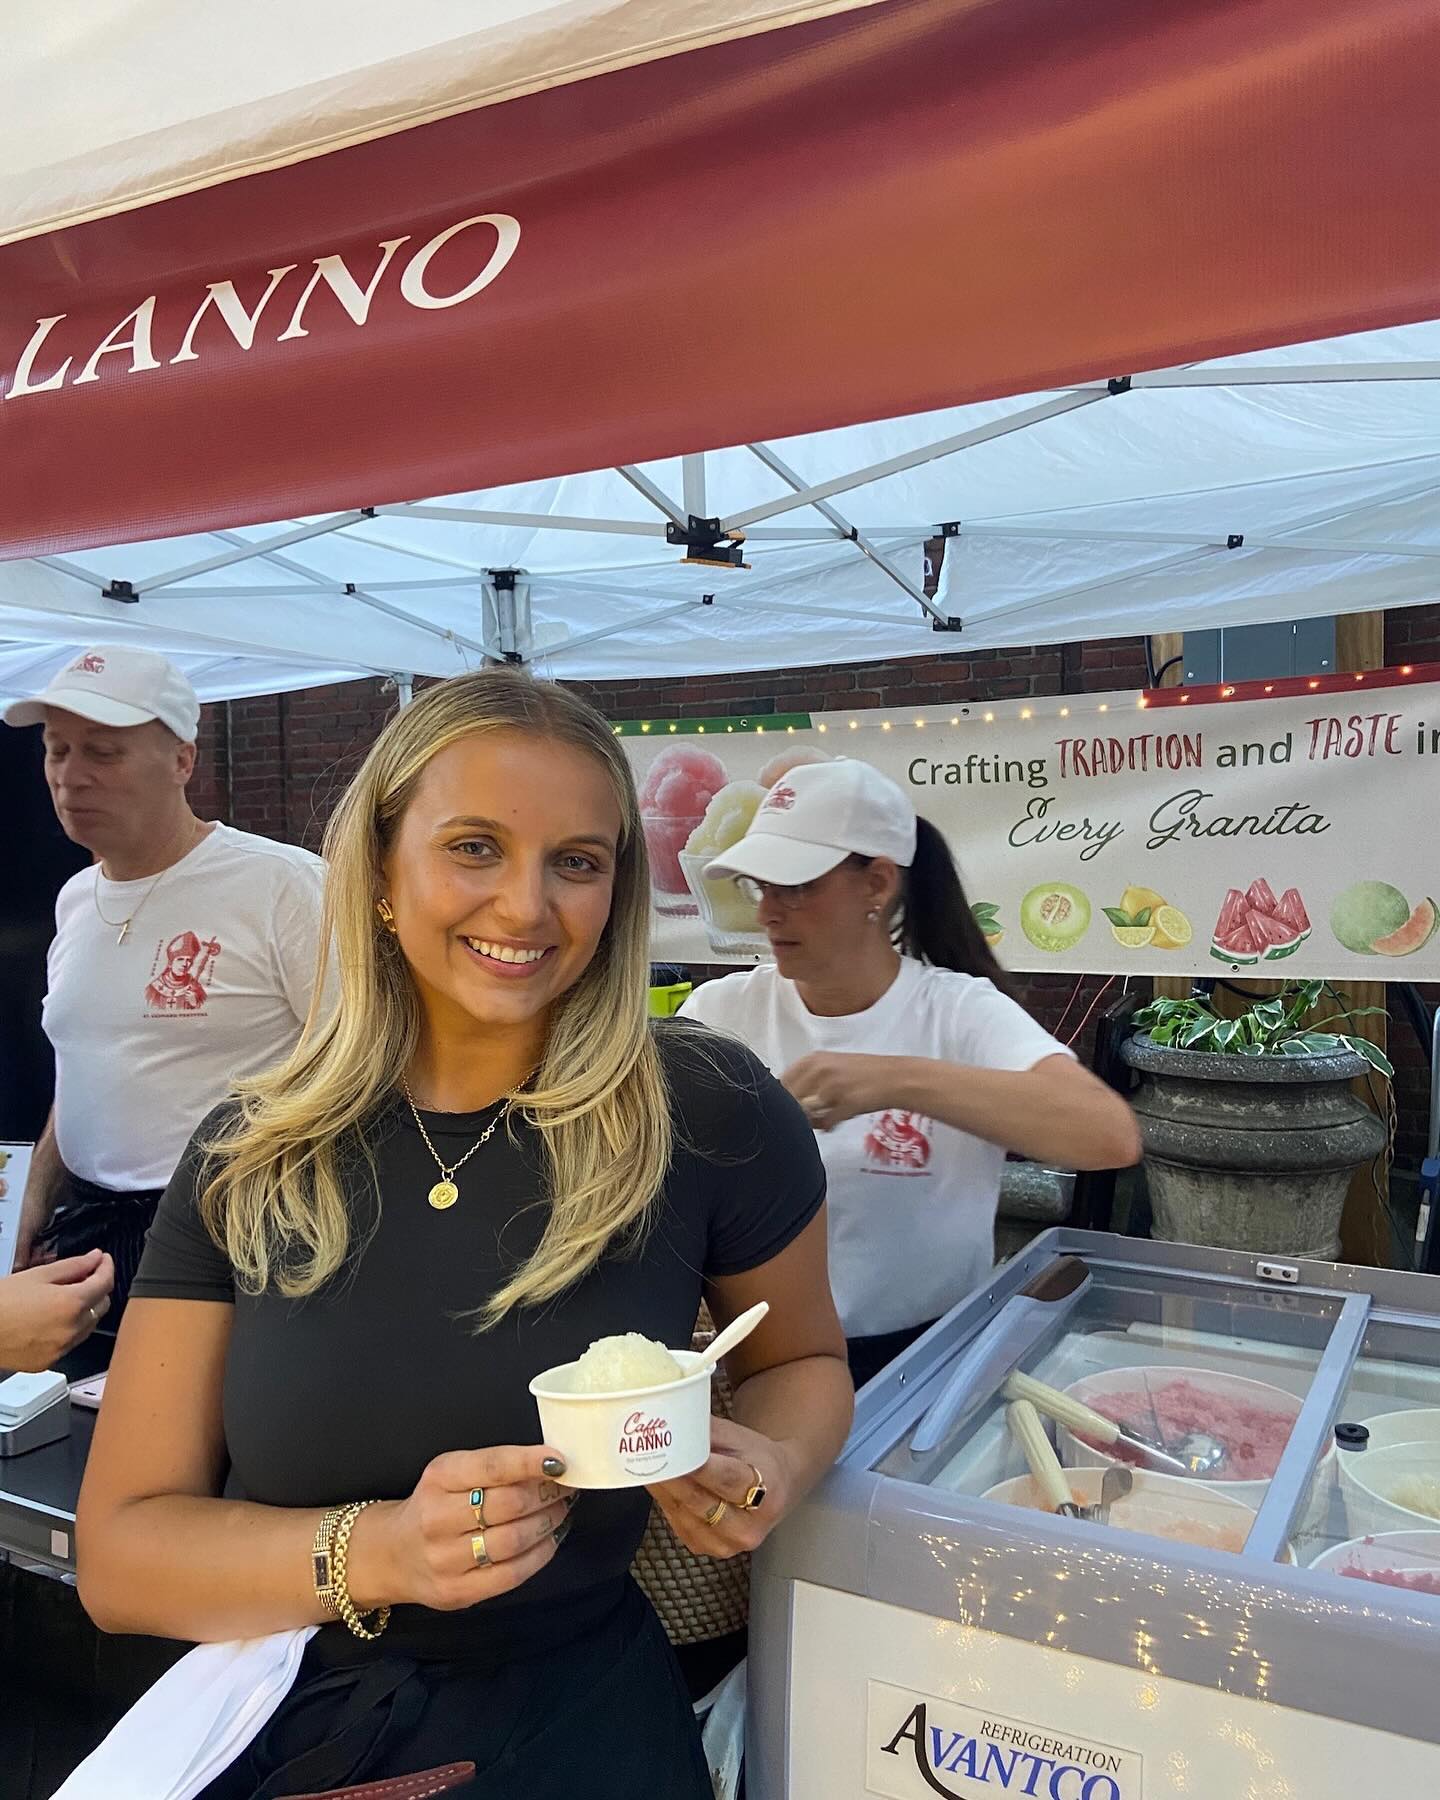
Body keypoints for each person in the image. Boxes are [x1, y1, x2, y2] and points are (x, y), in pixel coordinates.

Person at [76, 670, 851, 1799]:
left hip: (590, 1729)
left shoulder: (707, 1110)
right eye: (475, 847)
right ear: (383, 872)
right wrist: (384, 1552)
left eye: (576, 862)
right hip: (298, 1720)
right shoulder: (253, 1152)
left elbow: (802, 1359)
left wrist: (773, 1457)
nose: (527, 907)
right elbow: (122, 1557)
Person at [682, 758, 1141, 1389]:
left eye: (797, 887)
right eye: (762, 887)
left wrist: (892, 1080)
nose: (769, 914)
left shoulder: (956, 1011)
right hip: (759, 1363)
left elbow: (1107, 1135)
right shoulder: (718, 1012)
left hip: (928, 1359)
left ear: (877, 884)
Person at [4, 645, 330, 1325]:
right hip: (86, 1231)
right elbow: (88, 1066)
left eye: (104, 752)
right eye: (57, 750)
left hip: (237, 1235)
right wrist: (34, 1202)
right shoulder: (74, 899)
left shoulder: (282, 885)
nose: (71, 777)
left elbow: (366, 1061)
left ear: (183, 760)